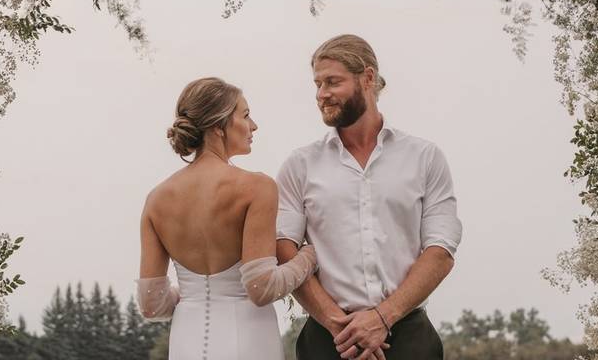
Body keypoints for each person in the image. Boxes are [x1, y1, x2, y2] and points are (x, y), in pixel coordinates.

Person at [276, 35, 463, 360]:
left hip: (410, 340)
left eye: (333, 82)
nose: (322, 94)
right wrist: (337, 324)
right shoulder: (300, 165)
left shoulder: (424, 157)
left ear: (368, 77)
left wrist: (382, 317)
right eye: (318, 84)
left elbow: (441, 251)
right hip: (328, 340)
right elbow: (282, 248)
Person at [136, 77, 318, 360]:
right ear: (218, 126)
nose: (254, 125)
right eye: (245, 115)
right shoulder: (256, 187)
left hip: (186, 340)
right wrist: (309, 256)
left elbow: (151, 305)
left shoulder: (156, 199)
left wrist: (193, 293)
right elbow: (261, 287)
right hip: (249, 339)